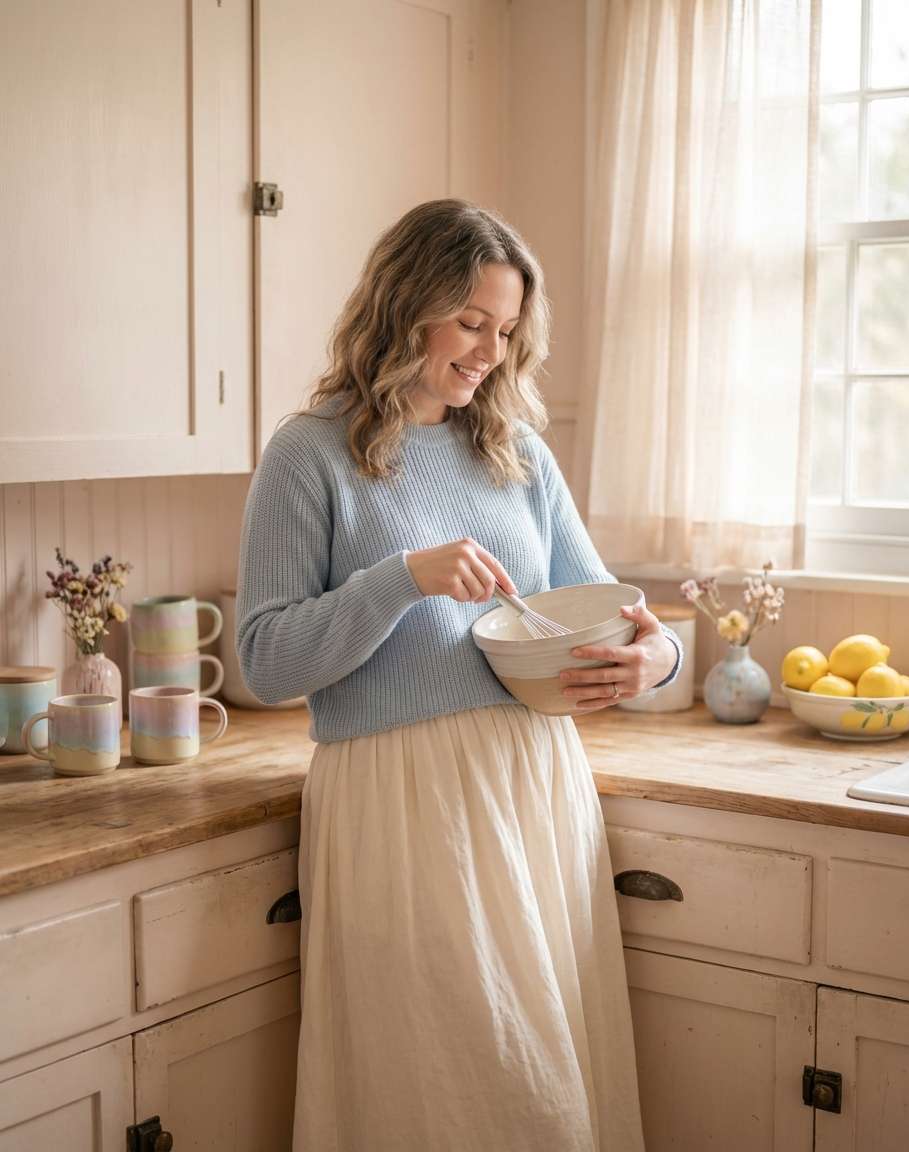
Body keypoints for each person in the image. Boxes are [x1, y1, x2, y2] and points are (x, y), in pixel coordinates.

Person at [237, 199, 682, 1152]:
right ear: (406, 306)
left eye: (506, 329)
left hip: (534, 789)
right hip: (405, 805)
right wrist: (399, 580)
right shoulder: (310, 453)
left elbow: (605, 603)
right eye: (471, 321)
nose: (488, 351)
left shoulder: (515, 449)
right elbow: (268, 661)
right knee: (456, 1088)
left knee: (549, 1079)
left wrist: (657, 656)